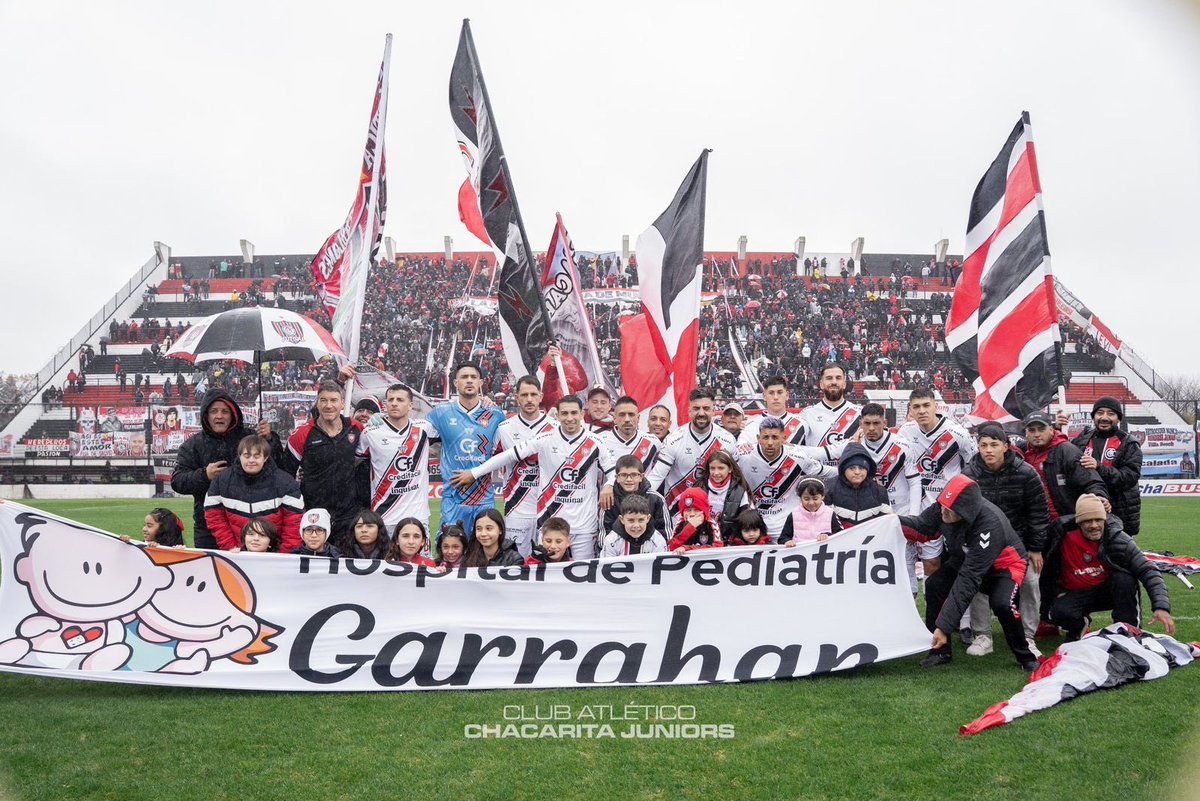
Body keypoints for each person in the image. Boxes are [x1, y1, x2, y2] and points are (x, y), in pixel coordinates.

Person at [900, 475, 1039, 671]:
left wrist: (944, 625)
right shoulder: (945, 505)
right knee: (934, 585)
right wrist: (891, 522)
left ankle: (1026, 657)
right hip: (965, 558)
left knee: (1002, 604)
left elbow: (969, 579)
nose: (942, 512)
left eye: (949, 510)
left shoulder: (989, 523)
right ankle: (940, 650)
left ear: (965, 511)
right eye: (942, 506)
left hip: (1003, 566)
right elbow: (922, 527)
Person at [452, 395, 615, 560]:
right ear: (557, 416)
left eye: (574, 413)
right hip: (550, 525)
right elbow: (509, 455)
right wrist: (474, 473)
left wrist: (609, 485)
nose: (569, 418)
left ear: (582, 414)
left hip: (584, 526)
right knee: (546, 575)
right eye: (564, 413)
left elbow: (613, 471)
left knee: (582, 574)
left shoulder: (596, 442)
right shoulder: (545, 439)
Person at [962, 423, 1051, 656]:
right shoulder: (968, 475)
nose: (988, 450)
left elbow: (1039, 514)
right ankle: (982, 636)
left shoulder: (1026, 473)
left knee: (1031, 583)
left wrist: (1035, 548)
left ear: (1006, 446)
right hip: (983, 543)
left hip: (1018, 544)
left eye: (994, 444)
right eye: (983, 445)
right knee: (977, 585)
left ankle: (1028, 636)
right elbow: (964, 514)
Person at [1039, 494, 1174, 641]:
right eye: (1087, 521)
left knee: (1125, 579)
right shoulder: (1059, 536)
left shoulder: (1118, 539)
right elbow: (1045, 572)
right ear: (1079, 523)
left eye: (1098, 520)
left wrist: (1161, 606)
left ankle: (1129, 633)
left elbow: (1148, 570)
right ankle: (1079, 626)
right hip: (1075, 594)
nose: (1094, 525)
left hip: (1109, 592)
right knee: (1057, 612)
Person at [171, 389, 277, 550]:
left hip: (250, 526)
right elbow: (178, 481)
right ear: (206, 415)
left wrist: (270, 439)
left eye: (224, 411)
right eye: (214, 411)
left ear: (233, 414)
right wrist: (204, 475)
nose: (219, 416)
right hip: (208, 527)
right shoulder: (192, 445)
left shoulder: (250, 438)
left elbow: (277, 468)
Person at [281, 381, 366, 544]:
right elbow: (286, 476)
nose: (328, 405)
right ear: (317, 403)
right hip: (314, 516)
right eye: (323, 400)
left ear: (342, 403)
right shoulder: (302, 434)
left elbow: (366, 463)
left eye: (333, 400)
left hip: (348, 516)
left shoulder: (356, 428)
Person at [425, 362, 506, 532]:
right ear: (455, 383)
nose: (469, 381)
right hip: (453, 499)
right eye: (464, 377)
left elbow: (506, 452)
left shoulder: (495, 414)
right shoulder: (440, 413)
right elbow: (414, 433)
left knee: (484, 553)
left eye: (473, 377)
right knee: (451, 552)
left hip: (484, 498)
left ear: (481, 383)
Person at [491, 375, 558, 558]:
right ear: (517, 397)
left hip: (549, 507)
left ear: (541, 396)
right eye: (524, 395)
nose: (529, 399)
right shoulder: (503, 429)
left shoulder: (556, 428)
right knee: (516, 563)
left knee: (549, 562)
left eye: (533, 394)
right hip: (516, 509)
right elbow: (491, 462)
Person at [647, 388, 737, 522]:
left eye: (706, 408)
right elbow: (657, 477)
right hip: (678, 511)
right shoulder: (673, 439)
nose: (701, 413)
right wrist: (638, 500)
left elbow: (735, 480)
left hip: (714, 512)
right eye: (696, 408)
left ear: (713, 411)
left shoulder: (727, 440)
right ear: (689, 411)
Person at [355, 383, 434, 535]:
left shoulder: (424, 428)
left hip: (418, 518)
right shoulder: (370, 433)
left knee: (419, 560)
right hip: (384, 517)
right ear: (385, 404)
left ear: (410, 405)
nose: (394, 403)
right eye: (390, 400)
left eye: (400, 400)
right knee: (387, 559)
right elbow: (350, 462)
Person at [736, 416, 833, 540]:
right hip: (754, 528)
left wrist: (849, 471)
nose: (770, 442)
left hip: (788, 528)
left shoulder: (798, 457)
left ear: (784, 438)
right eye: (766, 437)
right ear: (758, 439)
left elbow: (825, 471)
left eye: (775, 437)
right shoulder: (744, 456)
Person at [204, 434, 304, 553]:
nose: (251, 460)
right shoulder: (221, 480)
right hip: (236, 554)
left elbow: (294, 523)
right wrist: (230, 547)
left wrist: (283, 555)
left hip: (276, 556)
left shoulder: (285, 482)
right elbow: (214, 518)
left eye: (257, 456)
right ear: (240, 456)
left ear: (265, 457)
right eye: (247, 456)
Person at [1069, 397, 1142, 536]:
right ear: (1094, 416)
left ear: (1118, 418)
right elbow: (1064, 456)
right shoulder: (1083, 438)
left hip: (1119, 512)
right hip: (1088, 512)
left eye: (1111, 413)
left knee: (1118, 554)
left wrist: (1099, 466)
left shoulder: (1129, 443)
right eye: (1100, 413)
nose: (1104, 417)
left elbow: (1129, 477)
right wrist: (1058, 427)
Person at [1019, 411, 1108, 520]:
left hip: (1063, 521)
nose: (1037, 434)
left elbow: (1090, 480)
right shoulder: (1022, 452)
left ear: (1051, 430)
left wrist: (1099, 496)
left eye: (1041, 429)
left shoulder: (1067, 451)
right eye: (1032, 430)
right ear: (1026, 433)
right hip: (1035, 520)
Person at [602, 454, 671, 541]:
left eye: (634, 475)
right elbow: (604, 533)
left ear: (641, 477)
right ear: (617, 478)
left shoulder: (656, 498)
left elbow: (665, 533)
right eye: (623, 475)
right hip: (618, 550)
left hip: (650, 550)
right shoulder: (609, 498)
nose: (629, 479)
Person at [823, 442, 892, 527]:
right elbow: (822, 522)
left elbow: (888, 522)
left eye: (862, 468)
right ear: (843, 469)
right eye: (852, 468)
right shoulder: (828, 488)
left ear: (868, 470)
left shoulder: (879, 491)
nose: (857, 472)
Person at [799, 364, 862, 456]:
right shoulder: (806, 414)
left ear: (844, 384)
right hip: (817, 470)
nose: (834, 382)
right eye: (829, 378)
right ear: (821, 384)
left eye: (838, 378)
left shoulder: (860, 413)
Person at [697, 450, 752, 542]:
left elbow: (746, 522)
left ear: (730, 469)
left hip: (728, 544)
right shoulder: (699, 488)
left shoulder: (740, 492)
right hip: (702, 542)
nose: (716, 473)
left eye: (721, 468)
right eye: (712, 468)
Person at [737, 375, 804, 449]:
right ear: (764, 396)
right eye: (771, 393)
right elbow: (739, 450)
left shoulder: (801, 423)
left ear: (787, 395)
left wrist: (792, 448)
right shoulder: (752, 425)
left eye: (779, 392)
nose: (775, 397)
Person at [601, 395, 660, 472]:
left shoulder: (653, 442)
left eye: (631, 415)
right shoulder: (601, 442)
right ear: (614, 419)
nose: (627, 419)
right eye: (622, 415)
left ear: (638, 418)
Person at [779, 478, 842, 545]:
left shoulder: (830, 513)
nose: (811, 503)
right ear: (800, 497)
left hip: (824, 553)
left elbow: (841, 534)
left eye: (815, 499)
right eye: (806, 499)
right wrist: (787, 541)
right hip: (800, 553)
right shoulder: (794, 514)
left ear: (822, 496)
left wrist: (828, 535)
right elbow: (783, 538)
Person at [600, 495, 669, 556]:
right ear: (622, 519)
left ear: (648, 519)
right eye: (631, 520)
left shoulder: (657, 540)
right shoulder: (611, 540)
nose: (636, 525)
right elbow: (606, 568)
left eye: (641, 520)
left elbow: (661, 568)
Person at [668, 487, 723, 552]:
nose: (692, 514)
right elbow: (671, 547)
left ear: (704, 511)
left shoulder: (711, 524)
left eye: (696, 510)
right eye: (688, 510)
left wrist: (688, 549)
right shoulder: (680, 523)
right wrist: (689, 528)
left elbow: (718, 548)